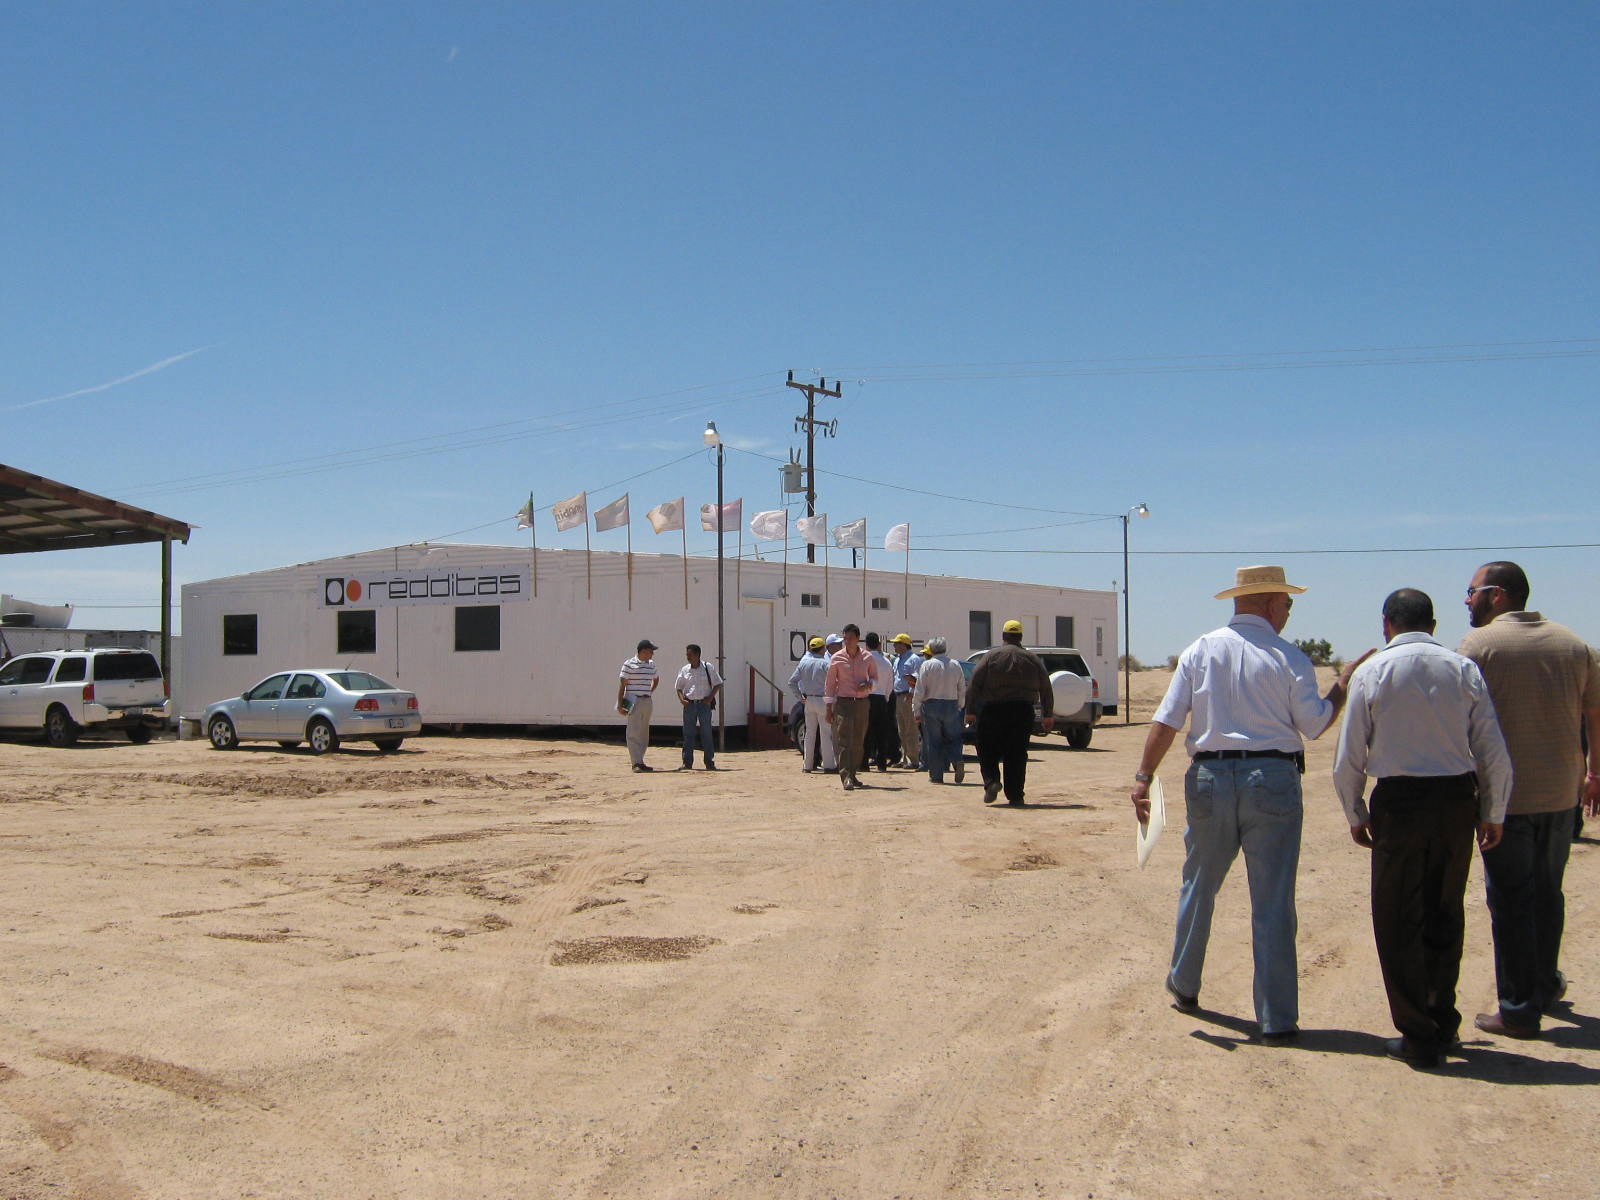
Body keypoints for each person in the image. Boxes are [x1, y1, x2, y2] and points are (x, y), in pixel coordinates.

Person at [1129, 566, 1368, 1044]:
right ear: (1271, 603)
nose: (1289, 612)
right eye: (1288, 604)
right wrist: (1341, 685)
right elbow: (1314, 724)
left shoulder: (1200, 650)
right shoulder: (1289, 657)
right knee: (1273, 900)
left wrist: (1143, 777)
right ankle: (1276, 1018)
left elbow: (1167, 720)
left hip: (1210, 777)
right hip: (1273, 778)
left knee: (1199, 885)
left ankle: (1184, 983)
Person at [1332, 588, 1511, 1068]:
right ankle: (1442, 1021)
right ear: (1432, 625)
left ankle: (1417, 1035)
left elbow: (1349, 757)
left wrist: (1356, 812)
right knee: (1444, 912)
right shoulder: (1462, 669)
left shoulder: (1372, 671)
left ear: (1386, 624)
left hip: (1400, 804)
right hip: (1455, 801)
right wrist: (1493, 810)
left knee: (1396, 919)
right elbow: (1491, 749)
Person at [1458, 561, 1600, 1039]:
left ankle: (1518, 1010)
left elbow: (1460, 718)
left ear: (1497, 594)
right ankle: (1542, 984)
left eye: (1472, 591)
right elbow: (1595, 713)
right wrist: (1594, 773)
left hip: (1506, 800)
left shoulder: (1479, 647)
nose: (1467, 600)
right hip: (1562, 793)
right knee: (1547, 892)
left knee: (1511, 900)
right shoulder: (1573, 643)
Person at [966, 619, 1052, 806]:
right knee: (1017, 753)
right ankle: (1015, 795)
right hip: (1022, 711)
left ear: (1003, 636)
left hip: (993, 710)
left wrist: (970, 710)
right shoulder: (1032, 659)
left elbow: (974, 684)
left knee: (986, 748)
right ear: (1020, 637)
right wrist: (1048, 714)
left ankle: (991, 781)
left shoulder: (991, 656)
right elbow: (1046, 687)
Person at [825, 623, 878, 791]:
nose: (847, 642)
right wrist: (828, 708)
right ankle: (845, 776)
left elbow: (875, 678)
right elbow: (830, 684)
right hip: (843, 703)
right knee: (844, 741)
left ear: (858, 638)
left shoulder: (868, 657)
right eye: (845, 638)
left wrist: (869, 685)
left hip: (862, 703)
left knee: (858, 741)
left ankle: (853, 773)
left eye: (850, 638)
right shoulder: (836, 658)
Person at [913, 636, 967, 783]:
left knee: (934, 741)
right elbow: (961, 688)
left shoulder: (927, 665)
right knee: (953, 738)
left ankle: (936, 775)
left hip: (931, 705)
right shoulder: (955, 665)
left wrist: (916, 709)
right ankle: (957, 760)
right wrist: (960, 705)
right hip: (951, 704)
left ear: (931, 649)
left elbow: (920, 689)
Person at [787, 636, 836, 774]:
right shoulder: (825, 664)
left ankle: (807, 765)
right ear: (822, 649)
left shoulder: (804, 663)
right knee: (826, 734)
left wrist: (800, 696)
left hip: (808, 700)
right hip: (822, 700)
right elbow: (833, 683)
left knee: (809, 734)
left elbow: (791, 682)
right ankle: (829, 765)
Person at [674, 643, 723, 771]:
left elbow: (718, 683)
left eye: (690, 654)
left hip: (703, 705)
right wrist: (682, 700)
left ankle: (709, 762)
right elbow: (678, 687)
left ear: (697, 655)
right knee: (688, 734)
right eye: (687, 655)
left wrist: (710, 698)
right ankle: (687, 762)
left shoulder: (708, 667)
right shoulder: (685, 669)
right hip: (689, 705)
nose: (688, 657)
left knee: (706, 733)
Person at [616, 639, 660, 772]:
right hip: (633, 700)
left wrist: (649, 691)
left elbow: (656, 679)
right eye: (650, 651)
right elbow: (622, 685)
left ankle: (640, 761)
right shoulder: (629, 664)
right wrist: (620, 704)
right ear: (643, 651)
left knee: (644, 732)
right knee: (633, 732)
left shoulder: (651, 664)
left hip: (646, 701)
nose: (652, 654)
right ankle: (635, 762)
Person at [861, 632, 900, 773]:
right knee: (881, 732)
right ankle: (881, 763)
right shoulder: (887, 662)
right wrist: (886, 698)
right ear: (878, 644)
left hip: (867, 697)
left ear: (866, 645)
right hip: (882, 698)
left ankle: (864, 763)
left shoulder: (863, 660)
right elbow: (890, 684)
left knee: (866, 732)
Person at [891, 633, 922, 769]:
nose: (894, 646)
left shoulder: (914, 659)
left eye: (897, 643)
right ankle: (904, 758)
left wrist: (911, 693)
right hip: (898, 696)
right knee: (901, 729)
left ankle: (913, 759)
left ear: (904, 645)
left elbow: (917, 677)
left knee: (911, 729)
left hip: (908, 696)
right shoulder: (898, 659)